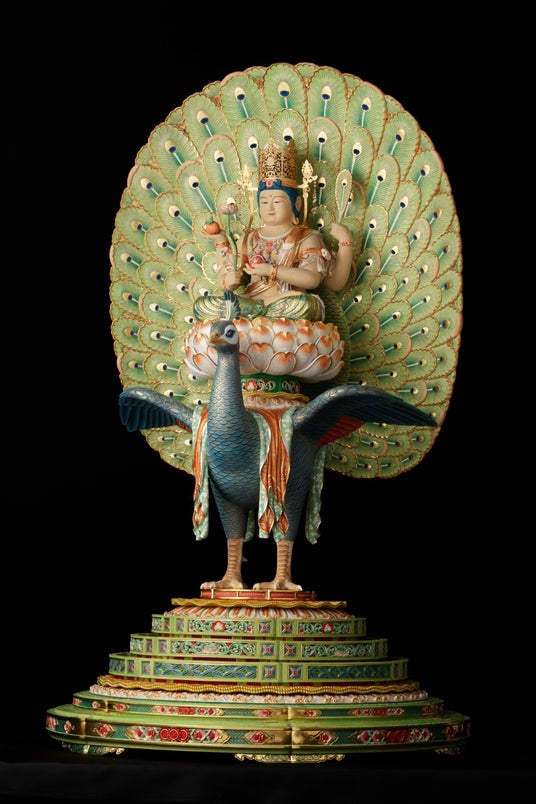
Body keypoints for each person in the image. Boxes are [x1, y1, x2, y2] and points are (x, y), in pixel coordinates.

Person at [194, 138, 354, 322]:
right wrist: (228, 280)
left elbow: (312, 280)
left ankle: (257, 313)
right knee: (202, 305)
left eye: (277, 201)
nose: (270, 207)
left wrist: (272, 270)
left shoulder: (306, 237)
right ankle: (257, 311)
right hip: (250, 302)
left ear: (296, 204)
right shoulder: (249, 238)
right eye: (264, 201)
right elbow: (225, 277)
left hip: (285, 304)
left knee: (306, 304)